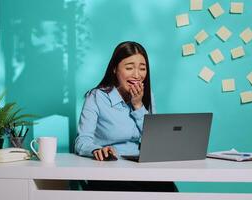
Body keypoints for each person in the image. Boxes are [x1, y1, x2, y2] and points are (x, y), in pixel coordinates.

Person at [74, 41, 177, 192]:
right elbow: (81, 141)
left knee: (168, 188)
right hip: (108, 170)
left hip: (139, 168)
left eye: (142, 68)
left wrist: (138, 105)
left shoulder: (147, 96)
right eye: (129, 68)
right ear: (115, 69)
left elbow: (154, 141)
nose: (137, 75)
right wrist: (97, 150)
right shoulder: (96, 96)